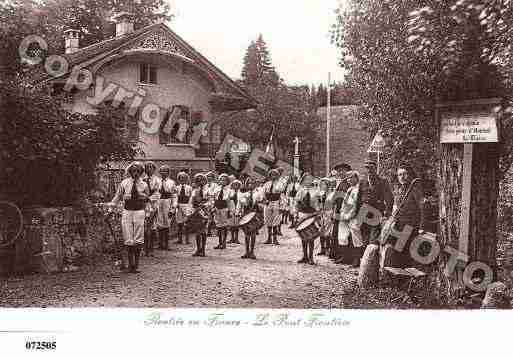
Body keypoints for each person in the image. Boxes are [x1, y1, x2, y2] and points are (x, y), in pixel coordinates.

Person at [109, 162, 149, 273]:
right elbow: (117, 196)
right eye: (133, 171)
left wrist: (145, 200)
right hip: (127, 212)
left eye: (137, 171)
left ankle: (136, 265)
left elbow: (148, 199)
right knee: (128, 237)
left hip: (139, 212)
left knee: (138, 237)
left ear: (141, 172)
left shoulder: (144, 185)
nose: (135, 173)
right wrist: (110, 209)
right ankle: (130, 264)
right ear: (130, 172)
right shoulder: (124, 183)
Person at [383, 164, 426, 268]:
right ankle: (397, 276)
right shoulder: (402, 190)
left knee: (403, 254)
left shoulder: (415, 188)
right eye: (399, 175)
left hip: (410, 226)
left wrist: (422, 226)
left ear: (410, 174)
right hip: (400, 225)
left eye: (404, 174)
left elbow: (423, 207)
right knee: (396, 251)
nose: (402, 177)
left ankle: (404, 278)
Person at [360, 159, 393, 246]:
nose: (369, 171)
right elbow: (359, 199)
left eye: (371, 168)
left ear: (375, 169)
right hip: (363, 213)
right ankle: (364, 258)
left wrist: (388, 212)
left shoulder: (382, 181)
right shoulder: (362, 182)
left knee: (373, 239)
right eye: (367, 168)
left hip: (377, 213)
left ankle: (372, 258)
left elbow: (389, 198)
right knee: (364, 237)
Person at [336, 170, 364, 267]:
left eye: (350, 178)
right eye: (347, 178)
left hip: (353, 216)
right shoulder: (350, 189)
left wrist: (350, 215)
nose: (348, 180)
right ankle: (344, 257)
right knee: (342, 236)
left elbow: (355, 205)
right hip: (344, 215)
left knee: (356, 237)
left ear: (356, 178)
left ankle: (357, 260)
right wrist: (342, 213)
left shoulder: (358, 189)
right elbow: (345, 203)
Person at [295, 173, 319, 265]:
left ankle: (311, 257)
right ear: (303, 181)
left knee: (311, 236)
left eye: (310, 179)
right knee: (303, 235)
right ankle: (304, 256)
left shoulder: (316, 191)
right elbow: (297, 202)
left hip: (311, 213)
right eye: (306, 179)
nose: (308, 181)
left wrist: (317, 213)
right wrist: (296, 213)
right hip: (302, 213)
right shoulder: (301, 190)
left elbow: (317, 203)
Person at [330, 163, 352, 263]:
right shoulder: (340, 183)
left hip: (345, 211)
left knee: (344, 234)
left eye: (342, 171)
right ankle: (335, 254)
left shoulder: (349, 183)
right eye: (339, 171)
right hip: (338, 210)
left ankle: (344, 256)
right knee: (336, 233)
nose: (340, 173)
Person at [239, 177, 262, 259]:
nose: (251, 185)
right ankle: (246, 251)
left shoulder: (258, 193)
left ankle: (252, 251)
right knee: (246, 233)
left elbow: (261, 202)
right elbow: (242, 204)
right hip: (246, 214)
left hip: (255, 214)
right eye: (249, 183)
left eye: (252, 183)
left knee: (253, 233)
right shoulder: (244, 194)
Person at [142, 161, 162, 257]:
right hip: (143, 205)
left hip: (152, 204)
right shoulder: (141, 179)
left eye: (151, 167)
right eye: (147, 167)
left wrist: (149, 198)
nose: (149, 169)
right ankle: (145, 248)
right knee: (144, 227)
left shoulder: (157, 180)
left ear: (154, 169)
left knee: (151, 226)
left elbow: (157, 193)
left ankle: (151, 248)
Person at [156, 165, 175, 251]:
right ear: (159, 172)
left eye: (165, 171)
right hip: (159, 201)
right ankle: (160, 244)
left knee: (167, 222)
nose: (163, 173)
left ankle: (167, 244)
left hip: (167, 201)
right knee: (159, 223)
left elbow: (174, 195)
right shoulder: (157, 181)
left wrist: (173, 208)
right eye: (162, 171)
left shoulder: (171, 182)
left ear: (168, 173)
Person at [262, 169, 285, 245]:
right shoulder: (266, 184)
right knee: (268, 220)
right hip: (268, 202)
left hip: (276, 202)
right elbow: (263, 194)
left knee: (276, 220)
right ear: (270, 176)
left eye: (275, 175)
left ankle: (275, 239)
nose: (273, 176)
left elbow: (282, 195)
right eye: (272, 175)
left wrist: (282, 206)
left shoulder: (280, 184)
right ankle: (269, 238)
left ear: (278, 176)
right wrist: (264, 200)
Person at [191, 173, 210, 257]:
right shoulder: (195, 190)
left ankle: (203, 249)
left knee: (203, 230)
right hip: (197, 211)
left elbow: (211, 200)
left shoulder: (208, 190)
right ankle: (198, 249)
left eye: (202, 180)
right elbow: (192, 201)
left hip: (205, 211)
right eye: (198, 180)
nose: (200, 182)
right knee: (197, 231)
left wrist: (205, 205)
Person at [213, 173, 233, 249]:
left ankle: (224, 243)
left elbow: (230, 202)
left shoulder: (229, 190)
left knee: (224, 226)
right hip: (217, 208)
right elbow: (214, 199)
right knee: (218, 226)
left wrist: (230, 211)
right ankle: (220, 242)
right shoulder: (217, 189)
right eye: (221, 180)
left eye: (224, 180)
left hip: (225, 208)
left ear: (227, 181)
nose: (222, 181)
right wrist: (213, 207)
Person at [173, 172, 193, 245]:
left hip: (186, 205)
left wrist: (189, 206)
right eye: (181, 178)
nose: (182, 179)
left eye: (184, 178)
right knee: (179, 223)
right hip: (179, 205)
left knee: (186, 223)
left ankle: (187, 239)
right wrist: (176, 204)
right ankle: (179, 239)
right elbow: (175, 197)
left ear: (186, 179)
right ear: (178, 179)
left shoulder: (189, 188)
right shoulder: (177, 188)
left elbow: (191, 197)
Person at [317, 177, 334, 256]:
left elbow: (334, 205)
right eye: (321, 184)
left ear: (328, 185)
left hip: (329, 212)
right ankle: (322, 249)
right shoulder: (321, 194)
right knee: (321, 231)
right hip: (322, 213)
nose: (322, 186)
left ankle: (328, 249)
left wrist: (333, 214)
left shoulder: (332, 194)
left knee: (328, 232)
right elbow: (319, 204)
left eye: (323, 184)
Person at [228, 179, 243, 244]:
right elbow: (228, 200)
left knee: (237, 225)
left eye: (237, 185)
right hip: (231, 209)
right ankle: (232, 238)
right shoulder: (230, 192)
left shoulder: (241, 193)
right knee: (231, 225)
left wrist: (240, 211)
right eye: (234, 184)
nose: (236, 186)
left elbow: (241, 203)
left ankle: (236, 238)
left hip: (238, 210)